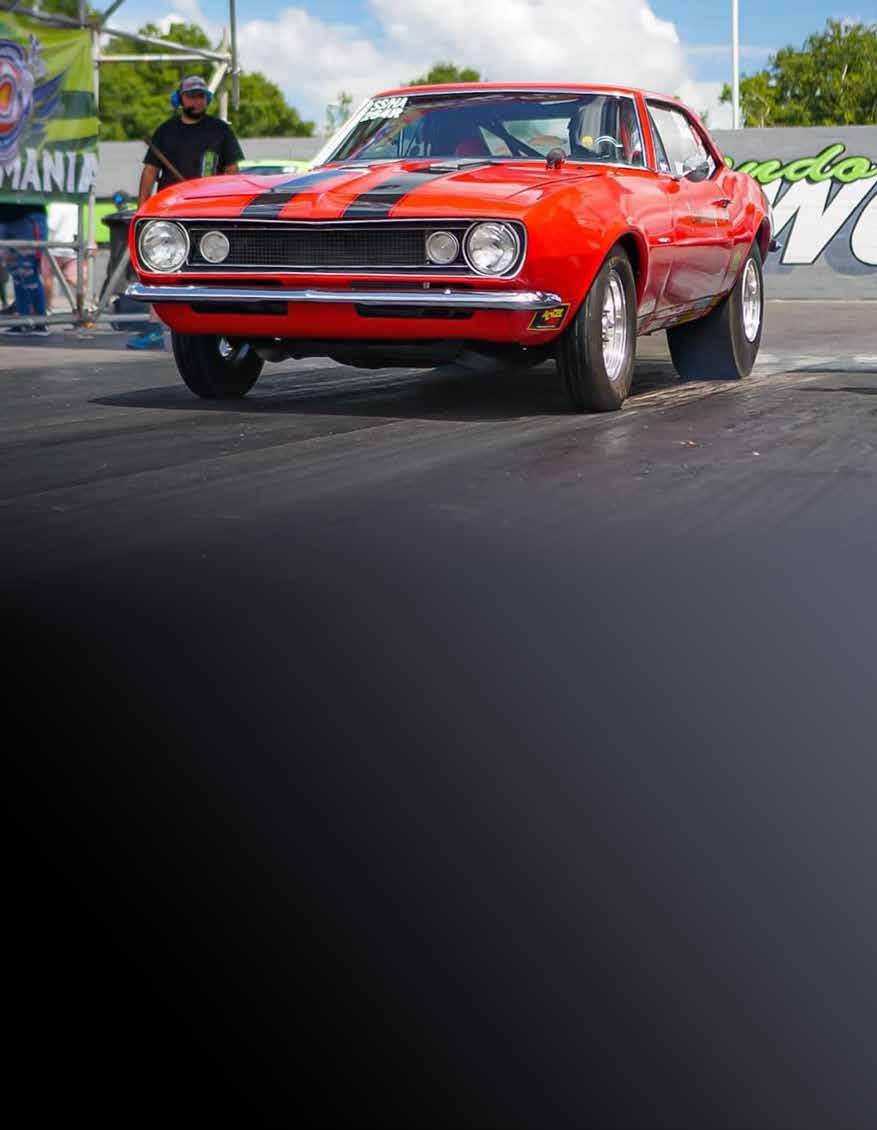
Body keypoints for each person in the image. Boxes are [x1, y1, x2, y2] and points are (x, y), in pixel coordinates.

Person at [127, 74, 243, 350]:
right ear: (179, 99)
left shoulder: (221, 131)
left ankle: (217, 328)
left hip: (209, 211)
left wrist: (230, 206)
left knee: (211, 271)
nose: (196, 101)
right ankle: (155, 329)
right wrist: (143, 208)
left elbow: (232, 171)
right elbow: (150, 172)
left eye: (201, 96)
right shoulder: (165, 131)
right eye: (191, 96)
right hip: (171, 213)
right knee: (161, 271)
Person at [0, 201, 49, 336]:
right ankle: (24, 321)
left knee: (28, 272)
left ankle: (39, 322)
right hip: (4, 219)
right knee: (17, 274)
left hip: (28, 216)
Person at [41, 202, 83, 311]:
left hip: (54, 248)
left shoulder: (55, 205)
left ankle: (47, 306)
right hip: (71, 248)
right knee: (75, 280)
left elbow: (52, 226)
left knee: (47, 278)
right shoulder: (75, 205)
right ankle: (80, 308)